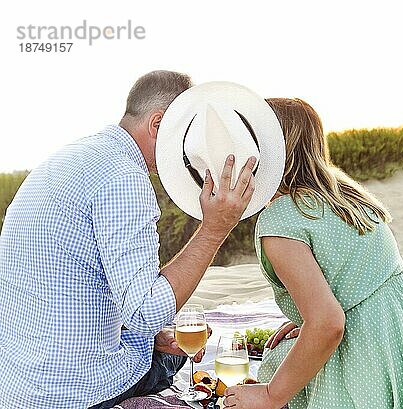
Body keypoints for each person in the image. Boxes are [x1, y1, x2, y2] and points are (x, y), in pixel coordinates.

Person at [223, 98, 403, 408]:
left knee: (279, 373)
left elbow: (328, 323)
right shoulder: (347, 195)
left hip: (372, 352)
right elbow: (352, 282)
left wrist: (271, 395)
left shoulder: (280, 219)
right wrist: (307, 319)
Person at [0, 71, 257, 408]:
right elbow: (146, 313)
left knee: (161, 342)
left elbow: (68, 283)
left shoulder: (74, 156)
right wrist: (215, 229)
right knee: (176, 360)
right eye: (185, 137)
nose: (184, 155)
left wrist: (146, 335)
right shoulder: (124, 177)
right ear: (158, 123)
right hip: (71, 391)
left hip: (19, 381)